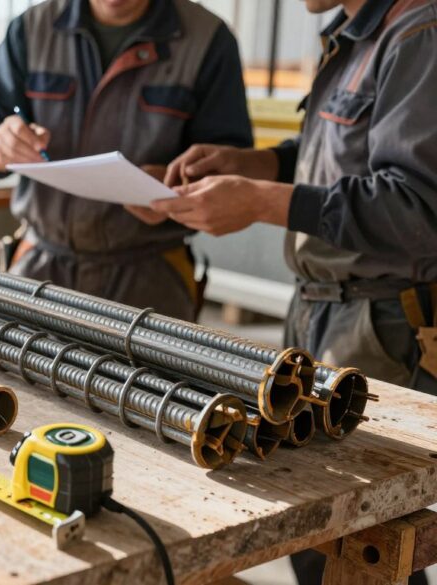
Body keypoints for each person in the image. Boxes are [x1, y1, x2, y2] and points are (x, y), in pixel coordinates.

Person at [149, 0, 436, 581]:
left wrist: (258, 201)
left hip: (379, 322)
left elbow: (415, 208)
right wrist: (257, 165)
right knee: (316, 533)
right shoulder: (355, 35)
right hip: (319, 308)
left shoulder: (420, 33)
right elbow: (338, 163)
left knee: (361, 538)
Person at [0, 0, 252, 320]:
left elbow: (229, 165)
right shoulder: (32, 29)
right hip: (40, 268)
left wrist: (175, 187)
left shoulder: (206, 39)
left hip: (150, 279)